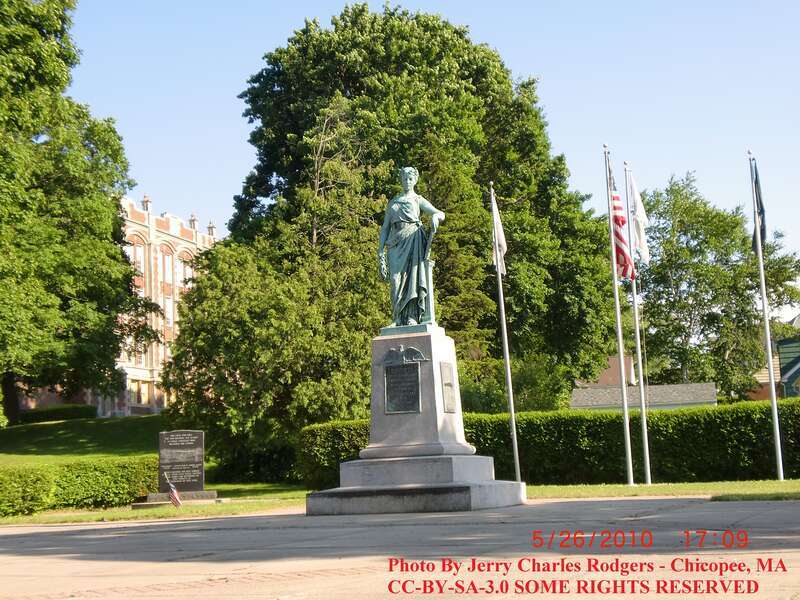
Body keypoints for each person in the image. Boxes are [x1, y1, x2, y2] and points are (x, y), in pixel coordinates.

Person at [378, 167, 445, 326]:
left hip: (413, 239)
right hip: (395, 243)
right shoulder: (393, 203)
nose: (407, 182)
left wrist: (436, 217)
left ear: (414, 180)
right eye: (404, 179)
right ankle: (397, 318)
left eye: (410, 179)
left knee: (413, 279)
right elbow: (385, 228)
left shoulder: (417, 199)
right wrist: (380, 250)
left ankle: (411, 316)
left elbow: (440, 213)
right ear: (401, 180)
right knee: (395, 280)